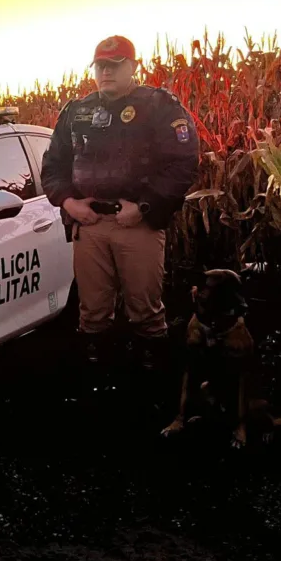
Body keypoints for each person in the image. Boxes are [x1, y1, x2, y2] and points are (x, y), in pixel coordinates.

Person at [40, 35, 200, 369]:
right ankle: (99, 379)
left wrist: (143, 207)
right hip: (89, 225)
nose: (106, 72)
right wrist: (69, 203)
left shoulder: (158, 106)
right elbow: (53, 166)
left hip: (137, 224)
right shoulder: (77, 111)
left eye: (115, 65)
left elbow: (183, 163)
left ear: (133, 66)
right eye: (100, 66)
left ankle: (150, 380)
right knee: (92, 313)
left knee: (145, 311)